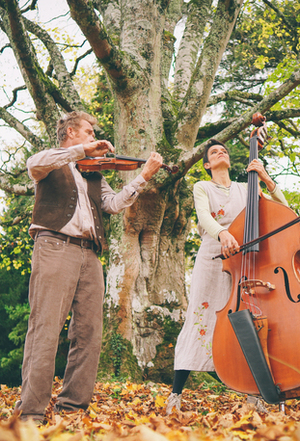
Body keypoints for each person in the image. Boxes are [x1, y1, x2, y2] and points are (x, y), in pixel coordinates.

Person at [15, 111, 163, 423]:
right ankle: (31, 412)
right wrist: (83, 150)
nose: (94, 138)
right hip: (54, 245)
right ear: (70, 132)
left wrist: (143, 176)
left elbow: (112, 205)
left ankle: (72, 409)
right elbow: (33, 165)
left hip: (90, 254)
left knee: (89, 333)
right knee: (45, 328)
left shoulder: (95, 174)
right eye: (88, 132)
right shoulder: (51, 161)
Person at [166, 139, 288, 415]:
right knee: (200, 319)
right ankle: (175, 394)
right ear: (207, 164)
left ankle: (253, 395)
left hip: (245, 264)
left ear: (230, 160)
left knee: (248, 324)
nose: (221, 152)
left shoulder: (247, 188)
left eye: (224, 150)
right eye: (213, 152)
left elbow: (285, 211)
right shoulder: (203, 186)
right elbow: (204, 216)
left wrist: (266, 179)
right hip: (213, 259)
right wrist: (222, 233)